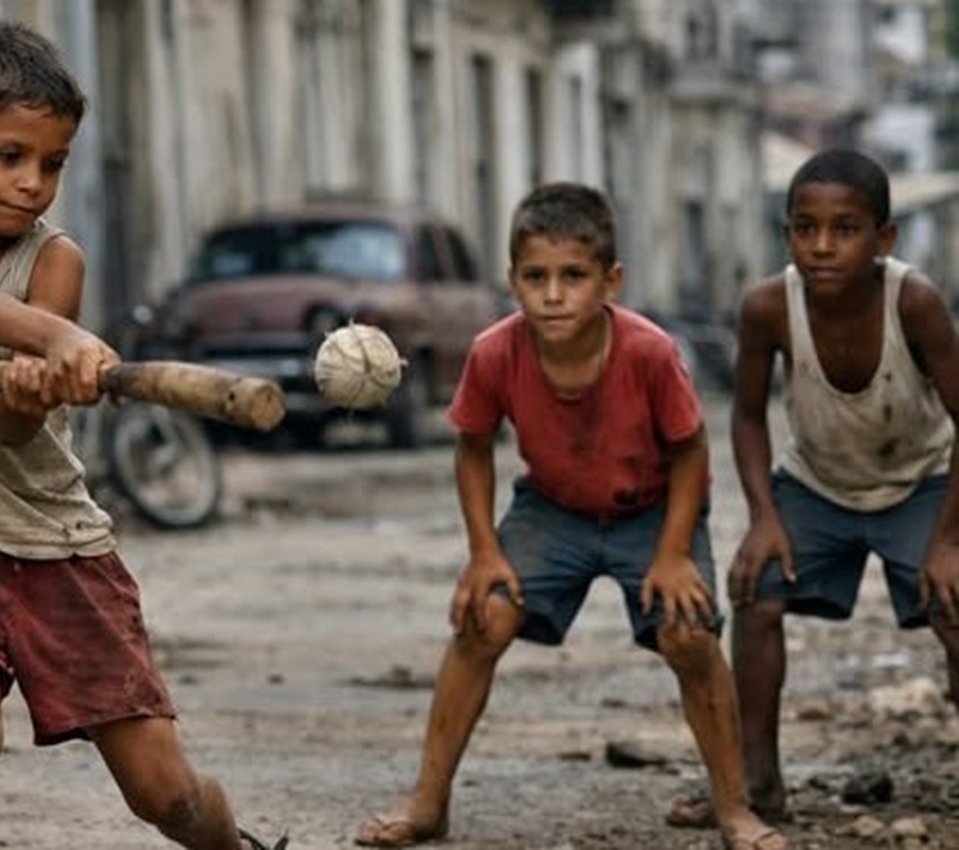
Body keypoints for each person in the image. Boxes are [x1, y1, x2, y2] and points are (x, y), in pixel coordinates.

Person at [0, 20, 284, 850]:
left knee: (165, 795)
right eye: (10, 156)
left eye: (52, 164)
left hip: (51, 543)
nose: (32, 184)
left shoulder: (57, 263)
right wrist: (53, 342)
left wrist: (30, 391)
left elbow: (12, 430)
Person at [353, 182, 787, 850]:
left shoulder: (648, 351)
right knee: (483, 616)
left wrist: (673, 555)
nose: (553, 294)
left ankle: (734, 808)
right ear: (513, 281)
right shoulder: (496, 352)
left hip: (651, 511)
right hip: (553, 510)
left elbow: (692, 451)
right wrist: (483, 553)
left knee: (688, 632)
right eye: (536, 277)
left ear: (610, 282)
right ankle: (428, 800)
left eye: (573, 277)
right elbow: (473, 450)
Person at [723, 148, 959, 822]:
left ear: (882, 238)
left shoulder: (914, 303)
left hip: (920, 481)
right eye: (805, 228)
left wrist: (947, 542)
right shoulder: (769, 306)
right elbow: (745, 415)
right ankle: (759, 783)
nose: (822, 246)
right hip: (816, 484)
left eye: (845, 229)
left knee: (956, 599)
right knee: (754, 593)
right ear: (788, 232)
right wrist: (764, 517)